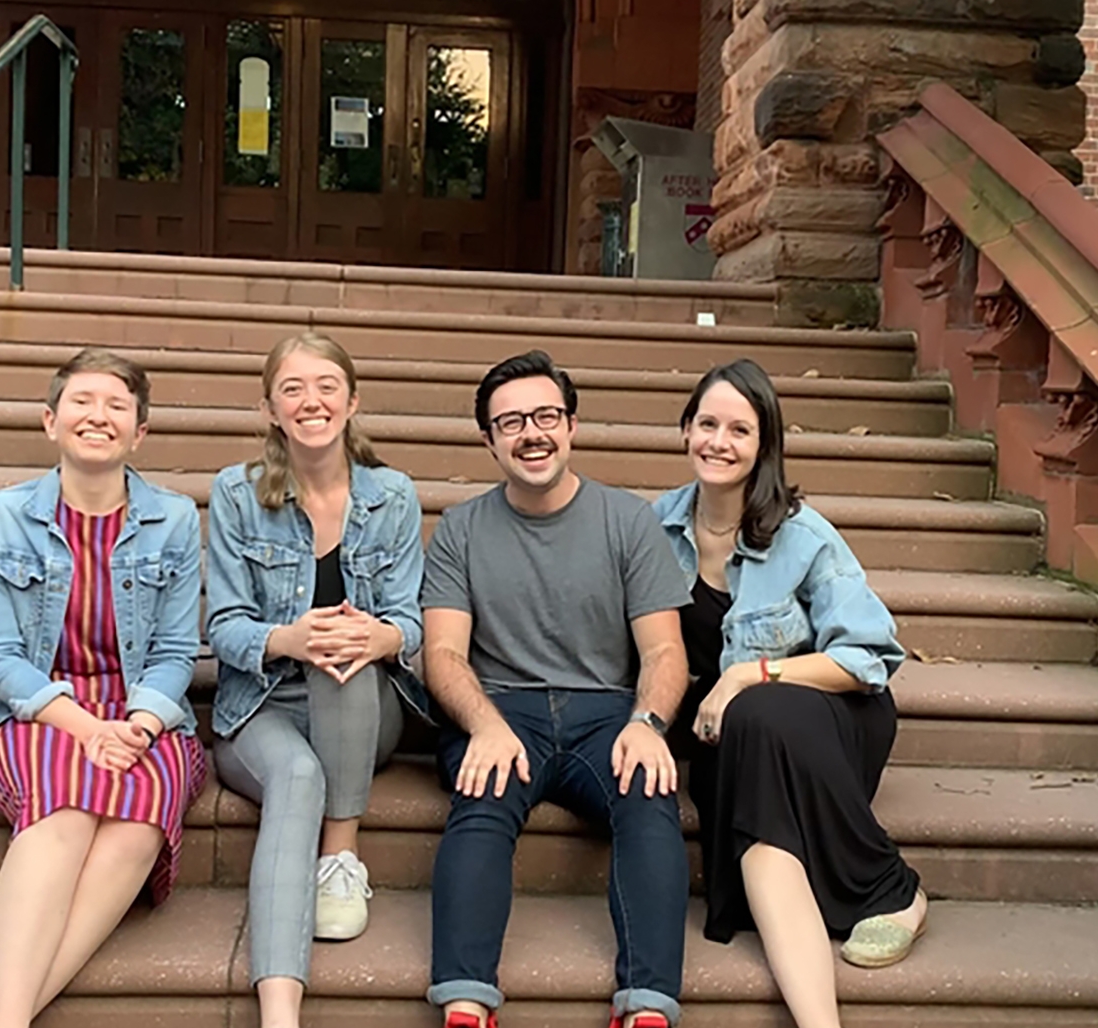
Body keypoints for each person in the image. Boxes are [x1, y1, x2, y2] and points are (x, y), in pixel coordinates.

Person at [421, 349, 693, 1028]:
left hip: (608, 715)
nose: (531, 432)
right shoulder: (459, 530)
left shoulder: (628, 522)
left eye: (545, 415)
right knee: (481, 798)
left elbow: (664, 651)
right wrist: (483, 724)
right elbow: (444, 652)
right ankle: (464, 1001)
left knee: (649, 795)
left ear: (571, 426)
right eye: (510, 422)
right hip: (502, 710)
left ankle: (648, 1007)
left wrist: (648, 724)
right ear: (488, 440)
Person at [652, 359, 926, 1028]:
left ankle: (895, 890)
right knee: (757, 789)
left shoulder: (802, 534)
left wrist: (750, 673)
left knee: (759, 708)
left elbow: (869, 657)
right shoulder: (652, 530)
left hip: (830, 717)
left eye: (739, 430)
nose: (719, 441)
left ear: (763, 446)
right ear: (686, 430)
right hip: (733, 733)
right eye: (707, 424)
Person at [0, 348, 207, 1028]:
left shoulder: (176, 520)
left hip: (141, 715)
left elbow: (177, 650)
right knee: (64, 809)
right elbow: (0, 657)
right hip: (37, 711)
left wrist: (141, 725)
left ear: (139, 432)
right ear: (50, 420)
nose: (98, 416)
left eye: (117, 407)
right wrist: (85, 728)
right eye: (82, 402)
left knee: (137, 820)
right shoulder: (3, 516)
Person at [204, 331, 427, 1028]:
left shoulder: (392, 495)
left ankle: (341, 852)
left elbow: (410, 623)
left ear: (352, 400)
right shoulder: (239, 494)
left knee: (346, 653)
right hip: (262, 704)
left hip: (363, 706)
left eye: (327, 385)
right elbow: (224, 628)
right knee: (296, 776)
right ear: (271, 407)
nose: (312, 401)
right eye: (293, 388)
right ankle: (280, 1013)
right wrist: (288, 639)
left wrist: (376, 636)